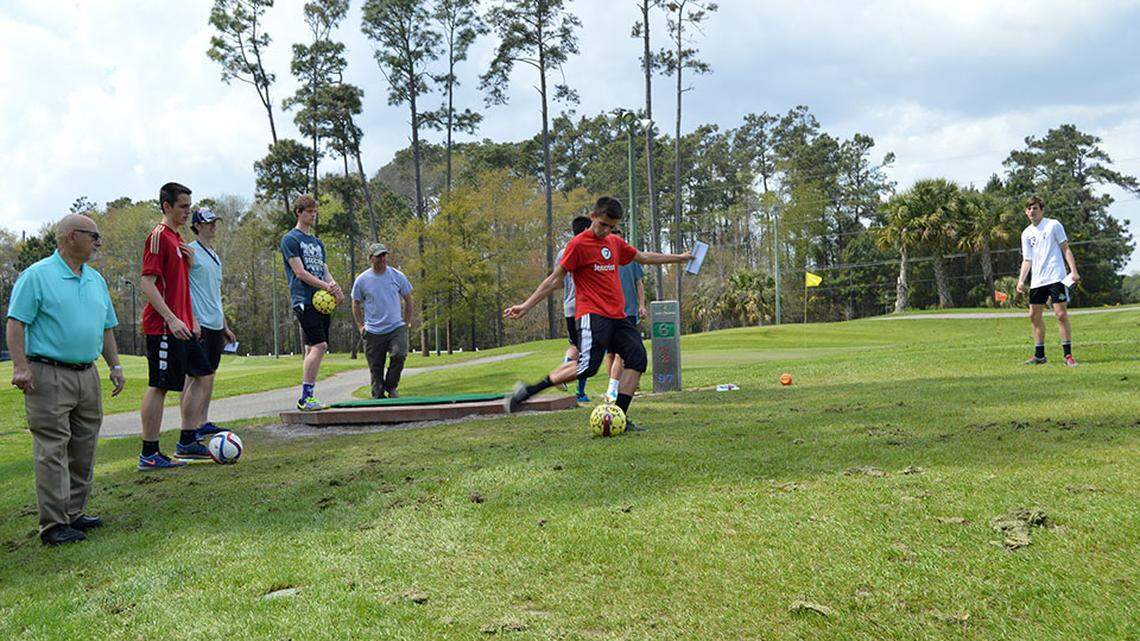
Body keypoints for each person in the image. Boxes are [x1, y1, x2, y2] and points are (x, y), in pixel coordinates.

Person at [503, 197, 692, 431]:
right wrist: (526, 305)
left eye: (611, 227)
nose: (606, 231)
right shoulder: (578, 245)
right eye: (603, 224)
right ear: (593, 216)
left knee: (638, 359)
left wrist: (679, 258)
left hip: (618, 316)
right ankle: (528, 391)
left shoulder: (614, 242)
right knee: (588, 367)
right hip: (592, 316)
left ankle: (618, 418)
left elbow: (643, 257)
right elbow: (554, 280)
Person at [6, 214, 126, 545]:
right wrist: (20, 367)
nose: (98, 242)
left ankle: (74, 513)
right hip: (48, 373)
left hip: (87, 374)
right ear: (72, 237)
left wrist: (114, 366)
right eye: (94, 236)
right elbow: (16, 323)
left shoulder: (96, 280)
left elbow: (106, 328)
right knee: (52, 449)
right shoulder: (37, 276)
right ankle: (54, 524)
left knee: (84, 446)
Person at [138, 182, 200, 470]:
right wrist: (171, 319)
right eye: (183, 206)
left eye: (189, 205)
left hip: (182, 326)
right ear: (166, 207)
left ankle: (188, 440)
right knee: (158, 386)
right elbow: (147, 284)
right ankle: (149, 453)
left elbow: (178, 287)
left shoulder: (178, 240)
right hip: (162, 327)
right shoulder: (158, 236)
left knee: (200, 372)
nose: (188, 211)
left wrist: (191, 319)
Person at [281, 194, 344, 410]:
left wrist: (334, 287)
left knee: (312, 348)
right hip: (304, 300)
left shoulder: (317, 243)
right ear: (299, 212)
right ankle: (305, 398)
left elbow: (323, 269)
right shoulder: (291, 239)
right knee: (320, 345)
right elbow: (299, 272)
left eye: (315, 211)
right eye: (309, 211)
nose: (313, 215)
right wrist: (326, 287)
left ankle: (309, 396)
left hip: (322, 301)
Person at [183, 207, 237, 440]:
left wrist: (224, 325)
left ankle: (202, 422)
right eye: (208, 222)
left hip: (215, 324)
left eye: (215, 222)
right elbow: (182, 288)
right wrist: (191, 318)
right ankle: (189, 427)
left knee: (210, 375)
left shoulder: (215, 255)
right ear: (197, 226)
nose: (213, 226)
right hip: (199, 324)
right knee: (195, 377)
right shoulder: (190, 251)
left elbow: (215, 293)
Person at [1016, 196, 1080, 367]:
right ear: (1025, 212)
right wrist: (1021, 280)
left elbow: (1065, 248)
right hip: (1037, 281)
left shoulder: (1053, 225)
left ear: (1042, 210)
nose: (1032, 211)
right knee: (1034, 316)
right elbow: (1027, 259)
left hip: (1056, 278)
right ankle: (1039, 356)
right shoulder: (1026, 234)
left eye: (1035, 208)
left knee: (1061, 315)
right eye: (1029, 209)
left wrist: (1073, 271)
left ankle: (1068, 356)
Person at [351, 242, 414, 399]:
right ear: (371, 258)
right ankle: (379, 398)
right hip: (373, 331)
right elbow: (355, 303)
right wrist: (360, 326)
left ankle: (391, 386)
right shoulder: (362, 280)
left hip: (395, 327)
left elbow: (408, 299)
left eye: (384, 255)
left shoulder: (397, 276)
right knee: (376, 369)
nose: (382, 259)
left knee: (399, 354)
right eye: (379, 256)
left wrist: (406, 323)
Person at [602, 227, 647, 402]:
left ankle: (615, 390)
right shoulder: (603, 260)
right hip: (608, 314)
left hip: (628, 312)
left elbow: (639, 283)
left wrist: (641, 305)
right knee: (611, 354)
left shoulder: (630, 258)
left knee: (622, 354)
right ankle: (613, 385)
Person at [556, 215, 592, 402]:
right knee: (586, 351)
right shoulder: (585, 248)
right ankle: (580, 392)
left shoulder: (562, 252)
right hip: (583, 307)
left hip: (568, 306)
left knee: (574, 346)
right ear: (586, 229)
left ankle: (564, 369)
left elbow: (558, 281)